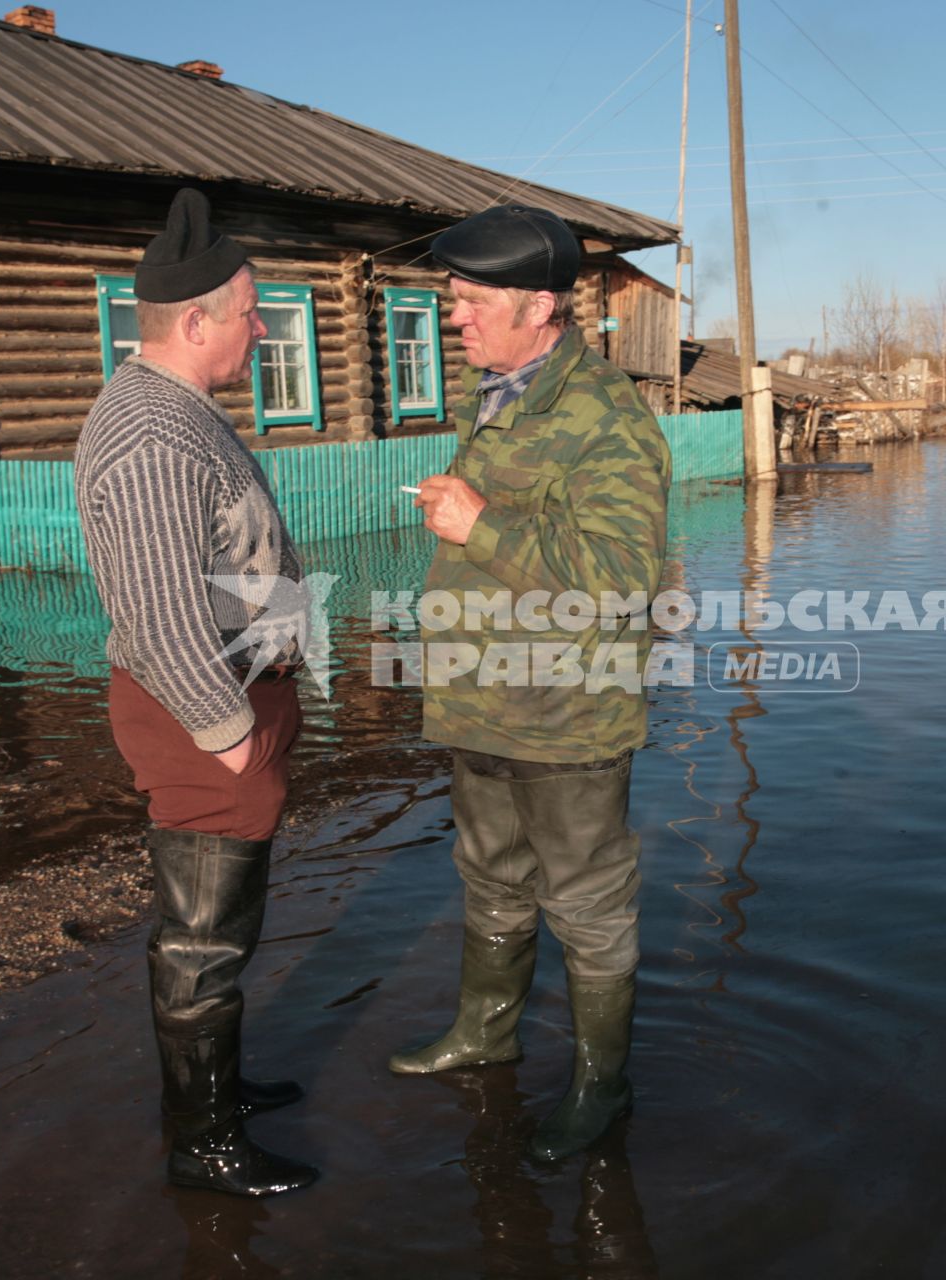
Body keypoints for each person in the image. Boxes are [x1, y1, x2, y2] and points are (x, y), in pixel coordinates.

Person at [391, 205, 671, 1161]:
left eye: (471, 302)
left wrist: (479, 525)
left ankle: (603, 1087)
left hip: (566, 716)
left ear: (539, 304)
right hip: (483, 699)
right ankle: (486, 1033)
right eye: (455, 301)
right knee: (491, 877)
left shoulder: (605, 413)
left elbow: (621, 576)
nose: (455, 318)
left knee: (587, 902)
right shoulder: (502, 392)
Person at [74, 188, 316, 1199]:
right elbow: (168, 621)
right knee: (202, 940)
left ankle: (212, 1092)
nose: (263, 329)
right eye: (254, 312)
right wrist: (232, 744)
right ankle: (203, 1143)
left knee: (219, 931)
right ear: (196, 321)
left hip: (226, 697)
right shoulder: (154, 436)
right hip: (200, 713)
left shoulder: (174, 409)